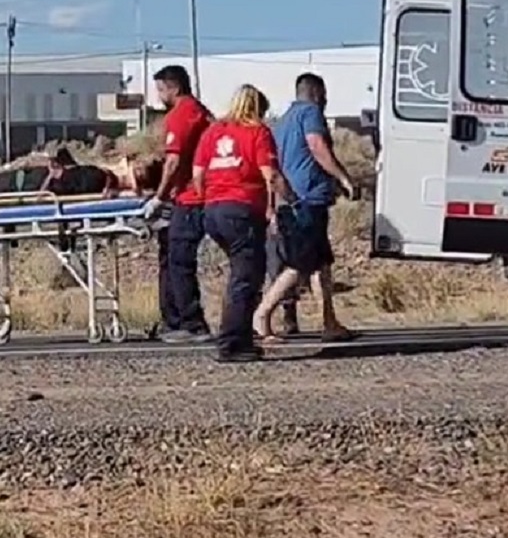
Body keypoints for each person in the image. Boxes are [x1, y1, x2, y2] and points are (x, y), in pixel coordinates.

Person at [258, 73, 358, 343]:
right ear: (316, 92)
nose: (325, 100)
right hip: (306, 200)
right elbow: (317, 146)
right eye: (323, 95)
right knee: (301, 263)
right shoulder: (310, 113)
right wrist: (343, 177)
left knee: (320, 263)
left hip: (291, 200)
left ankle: (329, 322)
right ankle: (263, 313)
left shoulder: (282, 122)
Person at [191, 84, 286, 363]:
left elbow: (198, 174)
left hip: (214, 210)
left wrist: (208, 197)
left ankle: (239, 337)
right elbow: (270, 174)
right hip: (242, 209)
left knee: (239, 274)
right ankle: (233, 343)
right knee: (245, 278)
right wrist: (286, 199)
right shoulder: (257, 132)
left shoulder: (213, 132)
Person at [149, 65, 213, 344]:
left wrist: (159, 197)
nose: (159, 96)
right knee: (176, 257)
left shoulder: (181, 115)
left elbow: (173, 161)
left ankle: (191, 322)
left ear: (173, 87)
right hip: (198, 194)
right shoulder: (199, 110)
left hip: (190, 197)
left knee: (179, 259)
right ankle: (177, 319)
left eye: (161, 89)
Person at [42, 148, 116, 196]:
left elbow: (107, 174)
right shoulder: (59, 184)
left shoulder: (86, 173)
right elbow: (41, 195)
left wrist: (107, 188)